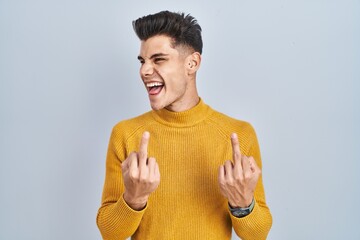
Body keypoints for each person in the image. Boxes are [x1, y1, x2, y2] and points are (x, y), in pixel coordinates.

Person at [96, 10, 272, 240]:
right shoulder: (126, 134)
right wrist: (134, 198)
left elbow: (257, 235)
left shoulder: (238, 135)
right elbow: (110, 232)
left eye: (158, 59)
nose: (144, 71)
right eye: (142, 61)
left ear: (192, 63)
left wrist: (242, 203)